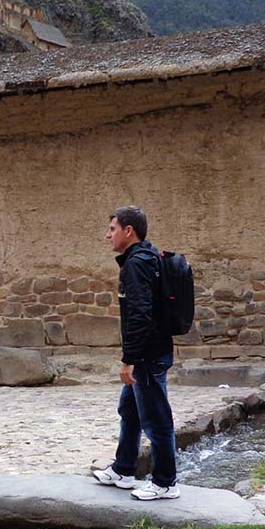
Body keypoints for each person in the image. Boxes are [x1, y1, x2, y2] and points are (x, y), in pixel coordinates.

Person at [92, 205, 179, 500]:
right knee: (130, 411)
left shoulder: (138, 263)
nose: (108, 235)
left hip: (147, 356)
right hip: (149, 352)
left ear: (128, 231)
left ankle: (166, 482)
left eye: (112, 229)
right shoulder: (146, 257)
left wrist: (129, 359)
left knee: (156, 419)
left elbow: (140, 314)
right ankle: (124, 469)